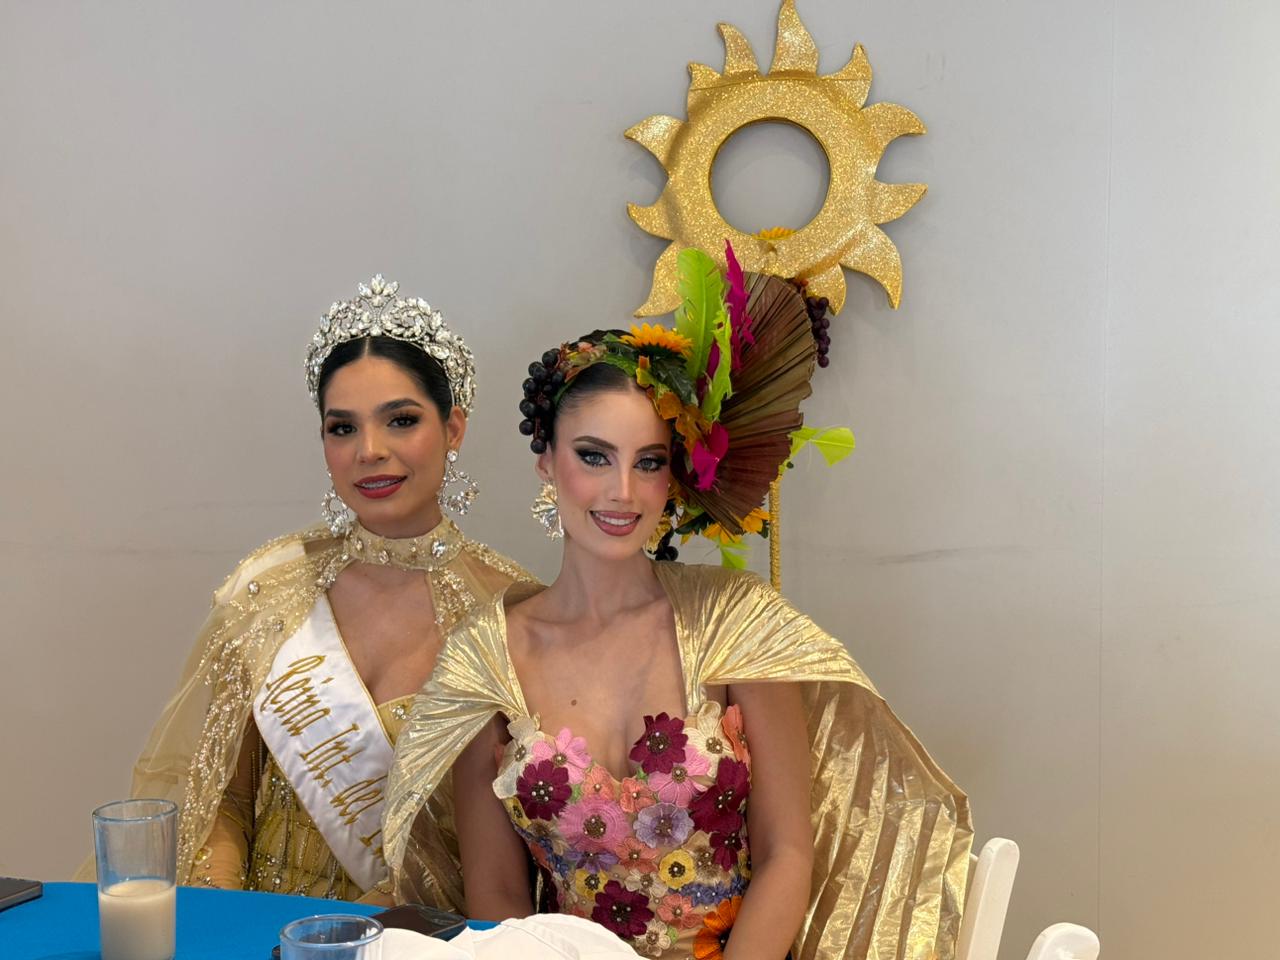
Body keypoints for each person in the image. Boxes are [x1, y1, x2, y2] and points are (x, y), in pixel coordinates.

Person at [384, 250, 972, 958]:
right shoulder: (488, 656)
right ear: (547, 462)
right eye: (594, 456)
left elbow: (787, 853)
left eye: (649, 462)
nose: (622, 492)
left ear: (676, 476)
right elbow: (498, 898)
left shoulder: (736, 623)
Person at [77, 276, 532, 902]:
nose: (369, 451)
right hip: (265, 929)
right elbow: (221, 801)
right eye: (342, 428)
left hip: (428, 939)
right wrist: (237, 926)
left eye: (401, 420)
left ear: (454, 428)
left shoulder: (512, 611)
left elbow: (524, 849)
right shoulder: (272, 587)